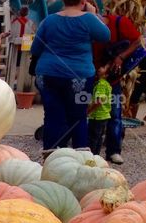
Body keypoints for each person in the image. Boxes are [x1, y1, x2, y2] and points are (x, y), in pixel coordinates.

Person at [30, 0, 109, 157]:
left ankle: (50, 158)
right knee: (78, 116)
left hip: (48, 73)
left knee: (52, 116)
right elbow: (105, 36)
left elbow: (35, 48)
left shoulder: (49, 20)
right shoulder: (88, 19)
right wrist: (93, 14)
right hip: (79, 74)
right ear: (83, 2)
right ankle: (80, 158)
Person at [93, 10, 143, 164]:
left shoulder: (119, 22)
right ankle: (90, 151)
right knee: (90, 114)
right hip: (90, 74)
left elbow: (137, 40)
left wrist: (121, 57)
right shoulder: (83, 25)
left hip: (111, 78)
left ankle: (113, 150)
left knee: (114, 114)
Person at [87, 64, 112, 155]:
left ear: (106, 75)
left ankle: (91, 156)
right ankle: (96, 155)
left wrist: (88, 111)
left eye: (104, 67)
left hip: (97, 116)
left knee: (92, 138)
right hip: (104, 115)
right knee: (99, 137)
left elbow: (99, 101)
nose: (100, 67)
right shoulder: (107, 84)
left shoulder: (101, 84)